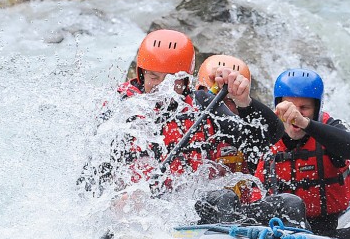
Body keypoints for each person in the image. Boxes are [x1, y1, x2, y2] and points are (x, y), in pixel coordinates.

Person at [83, 29, 283, 196]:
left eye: (172, 79)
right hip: (134, 210)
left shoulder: (203, 105)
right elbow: (91, 174)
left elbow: (268, 137)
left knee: (232, 199)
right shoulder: (120, 106)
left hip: (187, 209)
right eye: (154, 77)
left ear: (186, 80)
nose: (162, 87)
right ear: (141, 74)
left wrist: (244, 102)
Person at [246, 68, 350, 239]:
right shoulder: (265, 134)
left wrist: (304, 123)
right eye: (289, 107)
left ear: (317, 109)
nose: (294, 114)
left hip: (325, 237)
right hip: (278, 238)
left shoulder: (332, 130)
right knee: (290, 203)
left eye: (304, 108)